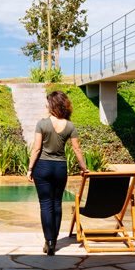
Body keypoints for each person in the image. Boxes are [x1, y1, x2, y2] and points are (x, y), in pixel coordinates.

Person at [26, 90, 88, 256]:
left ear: (52, 105)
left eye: (48, 103)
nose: (46, 106)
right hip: (60, 167)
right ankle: (54, 238)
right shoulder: (70, 125)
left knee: (46, 204)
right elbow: (77, 149)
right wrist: (84, 168)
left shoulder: (42, 124)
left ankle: (49, 241)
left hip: (43, 167)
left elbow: (37, 148)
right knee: (57, 203)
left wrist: (30, 168)